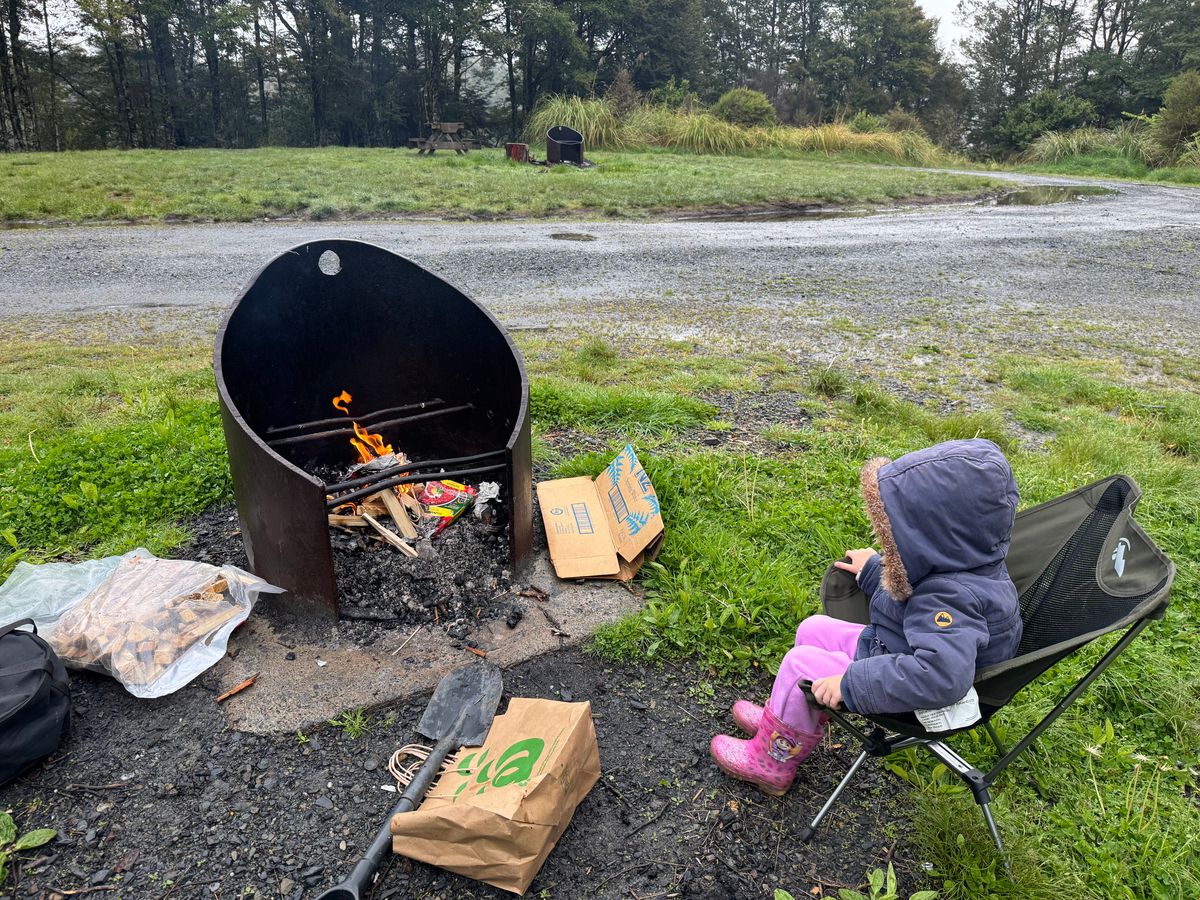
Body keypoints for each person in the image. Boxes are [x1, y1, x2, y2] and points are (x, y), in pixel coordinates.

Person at [710, 438, 1024, 796]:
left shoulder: (950, 599)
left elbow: (940, 678)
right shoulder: (966, 563)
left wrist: (851, 683)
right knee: (812, 628)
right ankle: (786, 716)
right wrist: (876, 571)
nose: (892, 542)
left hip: (913, 689)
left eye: (899, 534)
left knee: (801, 664)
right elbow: (916, 597)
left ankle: (771, 762)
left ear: (934, 539)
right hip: (903, 649)